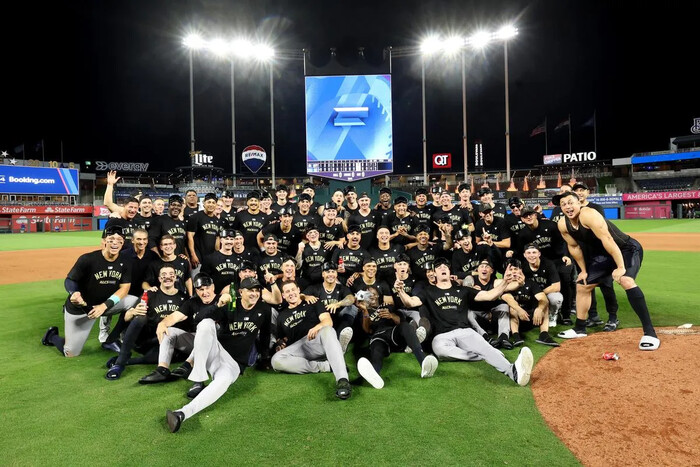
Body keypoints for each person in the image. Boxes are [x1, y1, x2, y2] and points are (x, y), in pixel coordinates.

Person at [395, 257, 534, 386]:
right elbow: (410, 302)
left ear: (449, 272)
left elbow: (489, 295)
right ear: (435, 273)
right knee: (440, 351)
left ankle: (514, 372)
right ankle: (488, 354)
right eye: (438, 267)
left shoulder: (462, 290)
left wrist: (504, 282)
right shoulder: (427, 292)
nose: (442, 268)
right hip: (441, 336)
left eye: (445, 266)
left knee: (482, 347)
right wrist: (401, 291)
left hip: (464, 331)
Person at [553, 192, 660, 350]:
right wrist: (583, 270)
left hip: (626, 249)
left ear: (579, 203)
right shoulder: (563, 224)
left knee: (626, 280)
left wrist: (621, 267)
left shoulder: (589, 215)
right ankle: (580, 328)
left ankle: (650, 333)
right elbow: (574, 247)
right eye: (563, 204)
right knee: (582, 285)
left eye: (570, 202)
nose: (568, 207)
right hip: (604, 256)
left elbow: (608, 239)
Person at [165, 277, 271, 433]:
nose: (254, 294)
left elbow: (265, 335)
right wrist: (218, 304)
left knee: (223, 383)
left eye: (257, 290)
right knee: (206, 324)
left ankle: (182, 414)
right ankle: (199, 377)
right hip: (217, 350)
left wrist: (265, 357)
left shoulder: (264, 309)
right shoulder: (230, 305)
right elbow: (199, 319)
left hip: (234, 364)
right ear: (241, 292)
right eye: (250, 290)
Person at [42, 226, 140, 357]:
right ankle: (51, 337)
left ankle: (111, 339)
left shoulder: (125, 262)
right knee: (70, 353)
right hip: (83, 309)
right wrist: (74, 293)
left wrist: (105, 305)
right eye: (111, 239)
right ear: (104, 241)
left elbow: (124, 288)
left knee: (136, 302)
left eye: (119, 240)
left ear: (123, 243)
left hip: (105, 305)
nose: (115, 242)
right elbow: (70, 280)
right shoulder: (88, 259)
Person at [137, 273, 229, 384]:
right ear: (196, 290)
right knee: (169, 331)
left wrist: (228, 298)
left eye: (207, 288)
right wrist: (162, 324)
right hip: (195, 343)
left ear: (213, 287)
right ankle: (162, 370)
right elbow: (175, 317)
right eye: (201, 289)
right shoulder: (192, 303)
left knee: (208, 329)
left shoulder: (223, 301)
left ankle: (188, 365)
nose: (205, 292)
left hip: (218, 347)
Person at [271, 280, 352, 400]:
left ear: (299, 291)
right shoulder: (281, 316)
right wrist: (280, 345)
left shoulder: (313, 302)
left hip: (317, 341)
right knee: (276, 360)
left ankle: (342, 380)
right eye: (287, 291)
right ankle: (325, 366)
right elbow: (282, 339)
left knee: (328, 330)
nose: (291, 293)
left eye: (293, 289)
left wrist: (317, 327)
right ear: (283, 296)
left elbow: (328, 321)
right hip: (300, 348)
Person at [105, 265, 189, 380]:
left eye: (171, 274)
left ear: (175, 278)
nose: (167, 277)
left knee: (173, 354)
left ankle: (130, 361)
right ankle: (120, 363)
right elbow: (126, 318)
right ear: (159, 279)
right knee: (141, 317)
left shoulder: (183, 298)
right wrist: (133, 311)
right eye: (164, 275)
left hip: (167, 341)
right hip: (147, 340)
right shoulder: (150, 294)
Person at [355, 285, 439, 389]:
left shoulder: (388, 306)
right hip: (378, 336)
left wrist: (391, 315)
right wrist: (365, 311)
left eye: (373, 293)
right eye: (367, 293)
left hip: (393, 333)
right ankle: (375, 375)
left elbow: (401, 321)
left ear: (377, 295)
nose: (371, 295)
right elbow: (367, 330)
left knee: (405, 326)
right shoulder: (363, 311)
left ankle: (423, 363)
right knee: (376, 348)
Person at [572, 182, 618, 329]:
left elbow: (602, 232)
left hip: (601, 256)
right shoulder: (572, 210)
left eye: (582, 190)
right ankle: (593, 316)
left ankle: (613, 318)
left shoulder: (596, 208)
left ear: (587, 192)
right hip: (585, 257)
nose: (579, 193)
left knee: (606, 286)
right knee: (586, 287)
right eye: (576, 191)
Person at [501, 259, 560, 347]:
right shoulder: (503, 285)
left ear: (520, 270)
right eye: (511, 269)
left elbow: (543, 298)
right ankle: (516, 337)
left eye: (516, 269)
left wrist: (539, 309)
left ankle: (544, 335)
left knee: (544, 306)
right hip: (514, 319)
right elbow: (508, 299)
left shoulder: (530, 283)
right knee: (512, 308)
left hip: (530, 318)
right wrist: (519, 310)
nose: (513, 272)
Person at [302, 262, 356, 351]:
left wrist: (338, 304)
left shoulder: (341, 288)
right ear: (323, 274)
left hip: (338, 320)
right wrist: (306, 296)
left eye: (333, 271)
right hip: (321, 321)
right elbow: (300, 295)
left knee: (352, 308)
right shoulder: (315, 288)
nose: (330, 274)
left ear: (336, 274)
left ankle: (341, 339)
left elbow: (351, 298)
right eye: (327, 272)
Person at [522, 243, 563, 329]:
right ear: (524, 255)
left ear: (539, 254)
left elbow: (556, 286)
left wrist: (540, 293)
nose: (531, 255)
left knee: (556, 298)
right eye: (528, 253)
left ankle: (553, 314)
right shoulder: (523, 267)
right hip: (531, 294)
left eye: (534, 252)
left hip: (546, 293)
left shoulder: (548, 264)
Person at [186, 192, 222, 273]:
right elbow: (189, 236)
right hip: (198, 258)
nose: (211, 205)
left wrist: (217, 255)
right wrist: (193, 255)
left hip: (211, 259)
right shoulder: (195, 217)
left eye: (213, 203)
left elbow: (217, 239)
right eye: (209, 202)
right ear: (203, 203)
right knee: (197, 283)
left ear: (216, 205)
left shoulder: (217, 220)